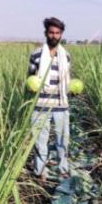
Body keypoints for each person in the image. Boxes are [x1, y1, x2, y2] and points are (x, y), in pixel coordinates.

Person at [27, 17, 71, 181]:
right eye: (51, 32)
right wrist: (31, 87)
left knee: (63, 140)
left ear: (61, 35)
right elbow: (30, 78)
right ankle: (39, 171)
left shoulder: (66, 55)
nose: (54, 36)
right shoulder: (36, 55)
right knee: (40, 141)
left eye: (57, 33)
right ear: (46, 33)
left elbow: (67, 79)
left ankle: (63, 169)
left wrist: (71, 91)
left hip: (61, 105)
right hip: (40, 105)